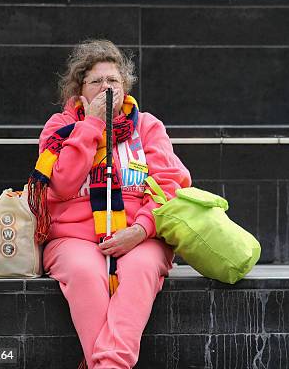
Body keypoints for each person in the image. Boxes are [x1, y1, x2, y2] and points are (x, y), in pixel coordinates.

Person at [32, 39, 191, 368]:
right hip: (73, 237)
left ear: (125, 87)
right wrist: (91, 126)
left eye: (113, 81)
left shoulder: (147, 126)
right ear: (79, 90)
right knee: (85, 273)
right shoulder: (59, 128)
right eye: (96, 81)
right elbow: (60, 185)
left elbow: (169, 185)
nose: (106, 87)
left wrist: (140, 229)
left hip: (141, 234)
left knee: (141, 269)